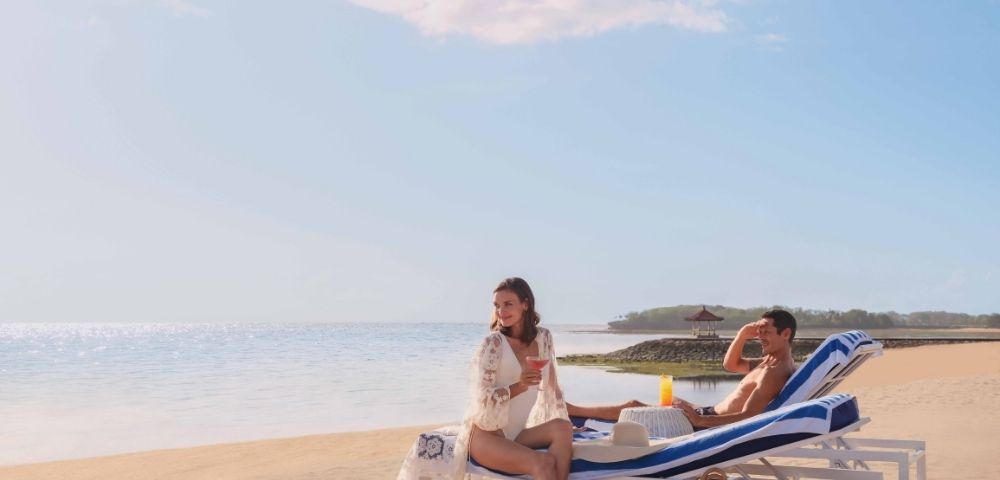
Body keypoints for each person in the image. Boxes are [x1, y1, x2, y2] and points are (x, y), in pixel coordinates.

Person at [452, 277, 574, 480]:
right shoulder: (493, 344)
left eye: (508, 304)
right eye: (497, 306)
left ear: (525, 304)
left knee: (563, 428)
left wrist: (565, 416)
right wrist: (519, 385)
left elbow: (553, 387)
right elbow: (480, 399)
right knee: (543, 463)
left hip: (518, 432)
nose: (501, 311)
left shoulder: (543, 338)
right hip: (488, 434)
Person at [673, 309, 798, 429]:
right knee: (672, 400)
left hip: (710, 424)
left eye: (766, 332)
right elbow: (731, 365)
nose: (760, 337)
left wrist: (700, 420)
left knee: (658, 412)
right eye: (760, 332)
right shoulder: (768, 362)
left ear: (786, 334)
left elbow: (749, 416)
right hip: (709, 413)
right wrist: (742, 335)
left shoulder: (773, 372)